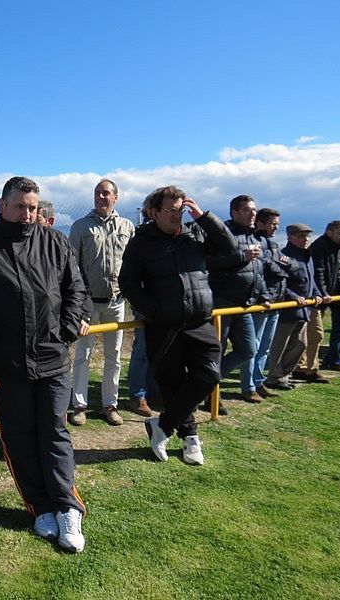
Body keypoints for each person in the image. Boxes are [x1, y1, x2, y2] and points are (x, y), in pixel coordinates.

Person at [0, 176, 91, 552]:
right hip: (6, 363)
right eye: (19, 206)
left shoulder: (55, 242)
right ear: (2, 206)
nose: (27, 214)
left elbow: (75, 289)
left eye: (32, 207)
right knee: (19, 437)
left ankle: (67, 507)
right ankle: (39, 507)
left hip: (53, 358)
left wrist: (67, 328)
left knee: (54, 432)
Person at [119, 186, 237, 465]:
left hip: (200, 322)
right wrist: (154, 310)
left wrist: (204, 217)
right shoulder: (141, 242)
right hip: (164, 326)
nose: (177, 215)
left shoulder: (195, 234)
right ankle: (190, 436)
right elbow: (128, 283)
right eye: (170, 210)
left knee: (209, 376)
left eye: (180, 209)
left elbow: (229, 248)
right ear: (154, 212)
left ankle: (163, 425)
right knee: (172, 384)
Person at [68, 179, 135, 425]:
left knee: (114, 356)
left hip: (116, 302)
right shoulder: (80, 227)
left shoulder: (127, 226)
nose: (101, 197)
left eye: (106, 193)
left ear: (115, 197)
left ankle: (110, 405)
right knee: (83, 354)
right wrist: (78, 301)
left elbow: (133, 263)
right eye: (97, 193)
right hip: (89, 304)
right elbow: (71, 266)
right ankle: (79, 406)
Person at [206, 195, 270, 412]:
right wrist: (241, 256)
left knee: (248, 350)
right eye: (247, 210)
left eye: (254, 210)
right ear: (234, 212)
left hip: (244, 305)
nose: (253, 214)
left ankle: (204, 383)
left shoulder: (256, 237)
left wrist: (263, 296)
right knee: (217, 351)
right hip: (222, 304)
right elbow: (208, 263)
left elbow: (257, 271)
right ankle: (211, 395)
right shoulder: (222, 234)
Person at [265, 224, 325, 390]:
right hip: (287, 309)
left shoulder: (307, 256)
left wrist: (317, 294)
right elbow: (280, 282)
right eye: (301, 236)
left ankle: (284, 375)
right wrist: (293, 297)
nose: (306, 239)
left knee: (300, 344)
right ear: (290, 237)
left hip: (304, 309)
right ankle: (274, 377)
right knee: (280, 345)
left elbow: (311, 280)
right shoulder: (285, 256)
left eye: (308, 236)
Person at [248, 208, 291, 398]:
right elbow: (266, 266)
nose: (275, 228)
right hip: (261, 302)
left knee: (265, 346)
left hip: (276, 302)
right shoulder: (253, 241)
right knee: (254, 346)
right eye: (273, 224)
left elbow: (290, 264)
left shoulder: (273, 244)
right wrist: (282, 266)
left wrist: (283, 265)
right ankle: (248, 386)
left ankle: (258, 382)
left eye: (277, 224)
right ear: (260, 223)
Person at [126, 195, 161, 415]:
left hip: (166, 306)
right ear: (152, 212)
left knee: (158, 351)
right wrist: (143, 303)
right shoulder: (140, 238)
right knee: (142, 350)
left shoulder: (173, 237)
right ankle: (137, 395)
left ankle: (154, 390)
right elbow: (131, 277)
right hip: (146, 304)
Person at [311, 220, 340, 371]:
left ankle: (333, 359)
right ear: (329, 232)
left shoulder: (338, 247)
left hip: (332, 293)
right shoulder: (320, 246)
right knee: (315, 334)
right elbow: (318, 272)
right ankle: (306, 367)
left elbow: (336, 273)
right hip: (319, 296)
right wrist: (323, 293)